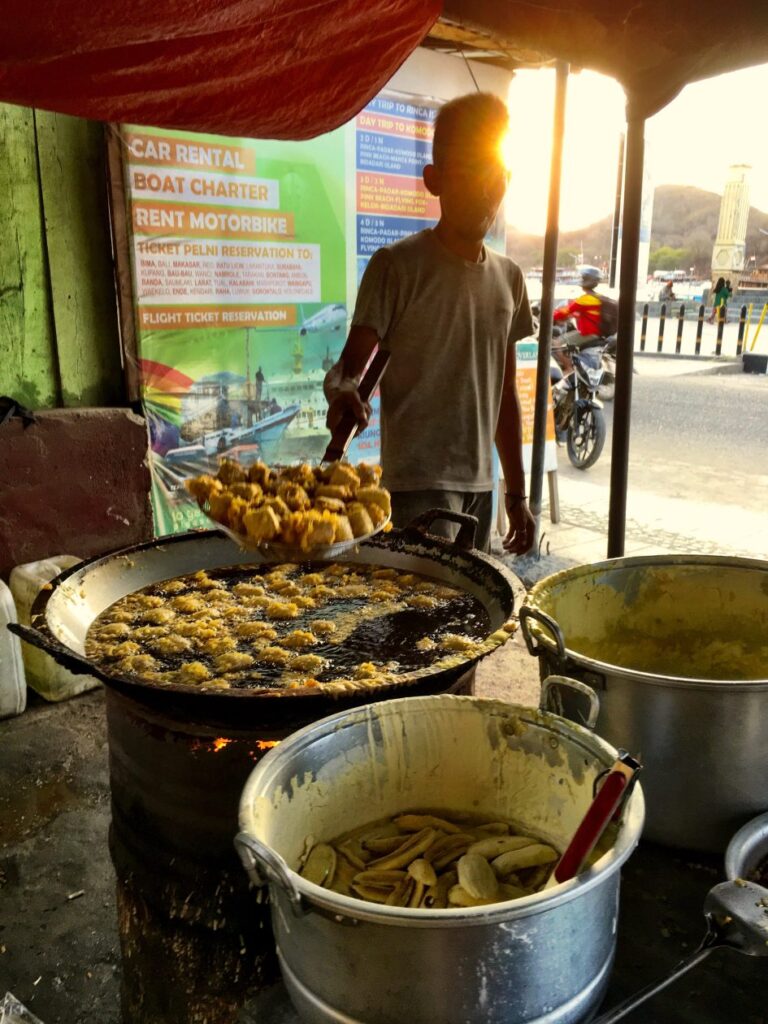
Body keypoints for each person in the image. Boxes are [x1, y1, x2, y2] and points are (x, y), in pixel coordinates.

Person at [323, 92, 534, 555]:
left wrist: (516, 495)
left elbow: (505, 395)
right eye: (466, 172)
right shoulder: (396, 267)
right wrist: (340, 390)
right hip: (415, 487)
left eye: (493, 175)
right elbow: (348, 369)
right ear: (433, 180)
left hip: (483, 488)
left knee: (472, 619)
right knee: (416, 617)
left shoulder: (511, 279)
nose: (483, 190)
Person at [551, 266, 607, 374]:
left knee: (556, 343)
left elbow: (565, 311)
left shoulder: (585, 299)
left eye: (583, 278)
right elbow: (586, 313)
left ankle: (569, 368)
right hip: (596, 332)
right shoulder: (597, 297)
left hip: (588, 333)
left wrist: (549, 315)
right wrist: (575, 315)